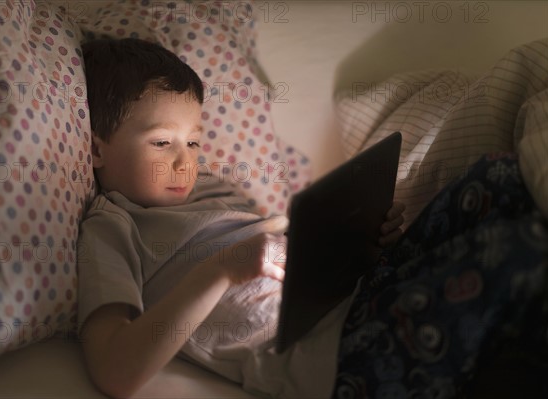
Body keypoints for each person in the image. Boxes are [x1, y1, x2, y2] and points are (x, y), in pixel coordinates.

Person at [77, 37, 406, 399]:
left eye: (192, 143)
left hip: (363, 289)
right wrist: (222, 270)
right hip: (334, 351)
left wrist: (366, 243)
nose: (185, 163)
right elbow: (114, 370)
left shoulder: (213, 189)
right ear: (96, 149)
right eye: (161, 143)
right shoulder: (112, 226)